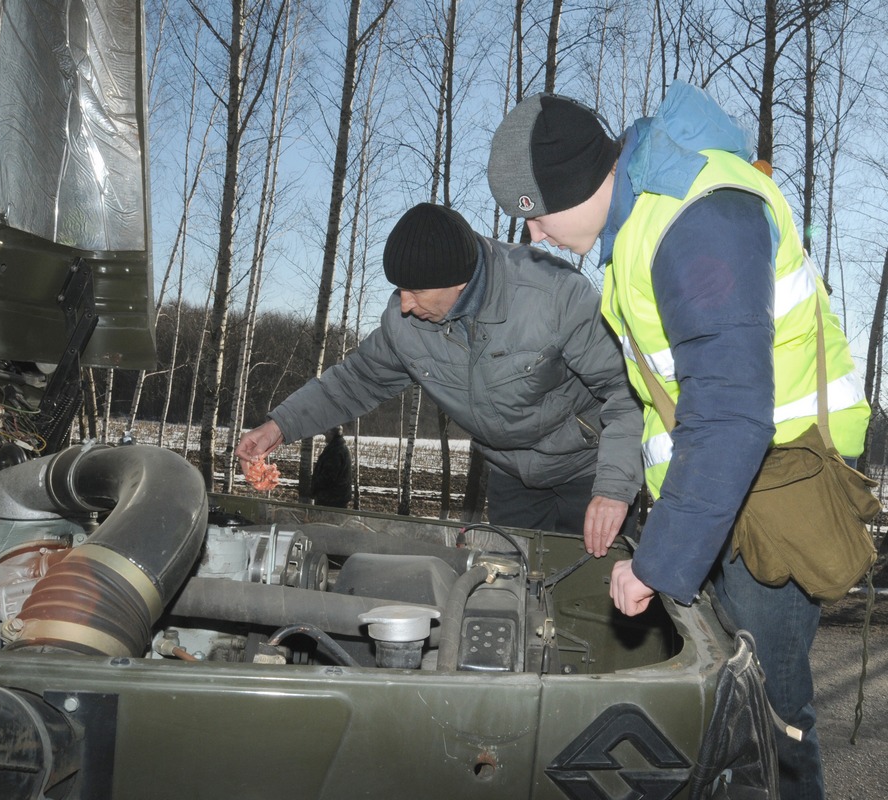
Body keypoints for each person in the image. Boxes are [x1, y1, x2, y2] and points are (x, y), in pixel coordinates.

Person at [487, 81, 870, 800]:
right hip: (736, 488)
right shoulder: (644, 220)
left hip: (780, 486)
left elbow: (730, 412)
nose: (534, 235)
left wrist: (661, 563)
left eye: (533, 215)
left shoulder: (694, 217)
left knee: (771, 715)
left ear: (570, 184)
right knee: (727, 700)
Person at [236, 202, 643, 549]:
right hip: (512, 474)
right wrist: (279, 426)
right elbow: (353, 382)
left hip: (589, 467)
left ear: (459, 281)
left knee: (592, 595)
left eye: (415, 291)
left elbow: (626, 392)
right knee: (513, 591)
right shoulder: (406, 325)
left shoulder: (554, 297)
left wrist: (613, 490)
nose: (405, 305)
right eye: (399, 290)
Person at [311, 426, 353, 508]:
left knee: (326, 520)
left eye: (326, 432)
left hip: (332, 499)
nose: (324, 434)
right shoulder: (339, 448)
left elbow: (328, 476)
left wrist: (315, 488)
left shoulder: (335, 452)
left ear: (332, 434)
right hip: (337, 497)